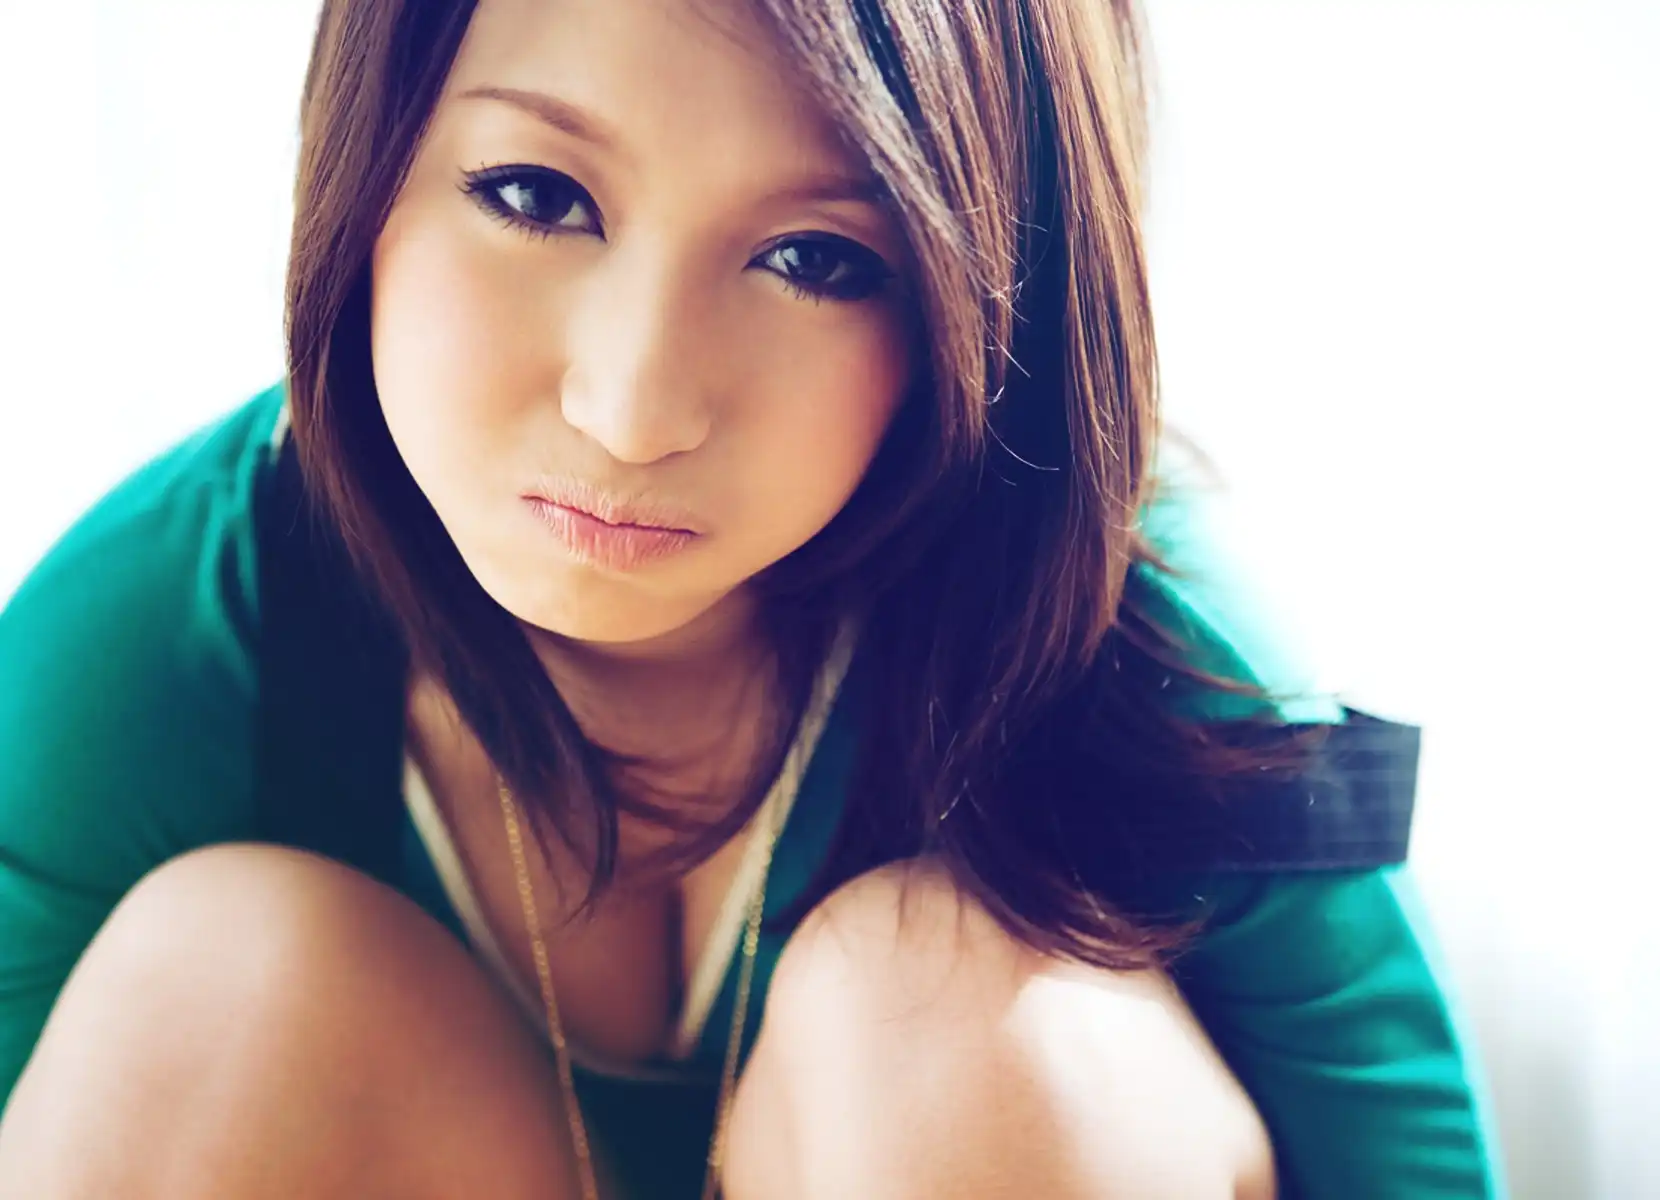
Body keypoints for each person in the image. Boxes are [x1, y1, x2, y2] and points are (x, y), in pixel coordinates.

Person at [0, 0, 1504, 1196]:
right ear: (362, 158)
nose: (633, 408)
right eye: (535, 193)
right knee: (222, 996)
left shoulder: (1159, 645)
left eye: (813, 259)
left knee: (945, 1016)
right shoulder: (159, 632)